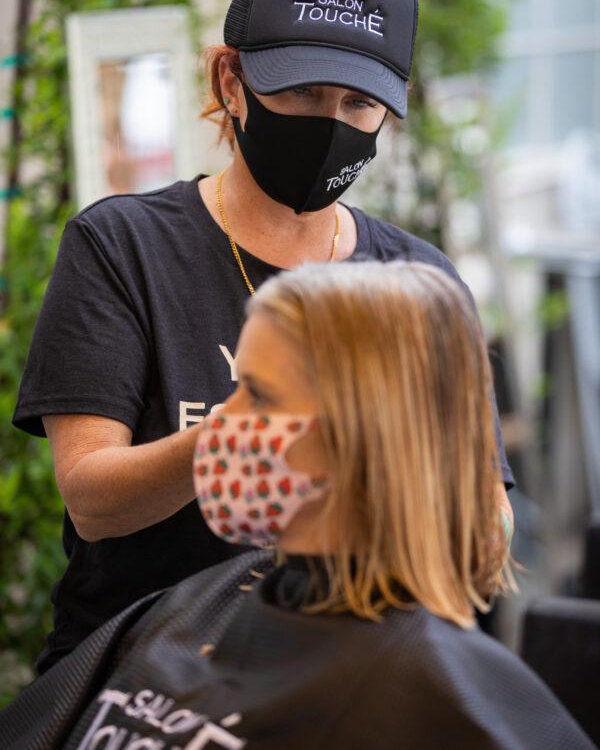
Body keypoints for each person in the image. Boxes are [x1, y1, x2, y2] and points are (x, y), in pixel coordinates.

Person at [13, 0, 514, 675]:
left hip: (335, 676)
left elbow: (488, 531)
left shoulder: (416, 280)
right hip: (144, 671)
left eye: (359, 103)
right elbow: (93, 499)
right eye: (304, 93)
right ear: (231, 80)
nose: (331, 123)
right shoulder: (123, 246)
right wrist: (244, 431)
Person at [0, 262, 590, 750]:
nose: (220, 424)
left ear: (363, 434)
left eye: (258, 395)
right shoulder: (196, 607)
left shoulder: (434, 694)